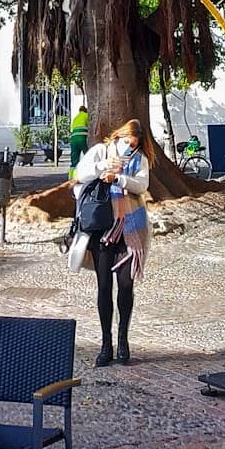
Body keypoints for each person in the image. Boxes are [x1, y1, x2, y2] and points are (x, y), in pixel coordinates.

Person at [71, 118, 150, 367]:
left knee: (125, 285)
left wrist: (119, 179)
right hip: (102, 227)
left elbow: (142, 184)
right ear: (118, 137)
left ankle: (123, 340)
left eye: (134, 144)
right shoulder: (100, 151)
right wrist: (103, 168)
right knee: (104, 286)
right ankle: (106, 344)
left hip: (131, 228)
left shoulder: (140, 159)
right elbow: (79, 175)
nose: (129, 147)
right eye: (126, 142)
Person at [69, 105, 89, 171]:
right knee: (88, 154)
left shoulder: (75, 118)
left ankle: (72, 175)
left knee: (74, 158)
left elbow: (72, 129)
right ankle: (87, 172)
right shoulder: (86, 115)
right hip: (82, 138)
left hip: (73, 139)